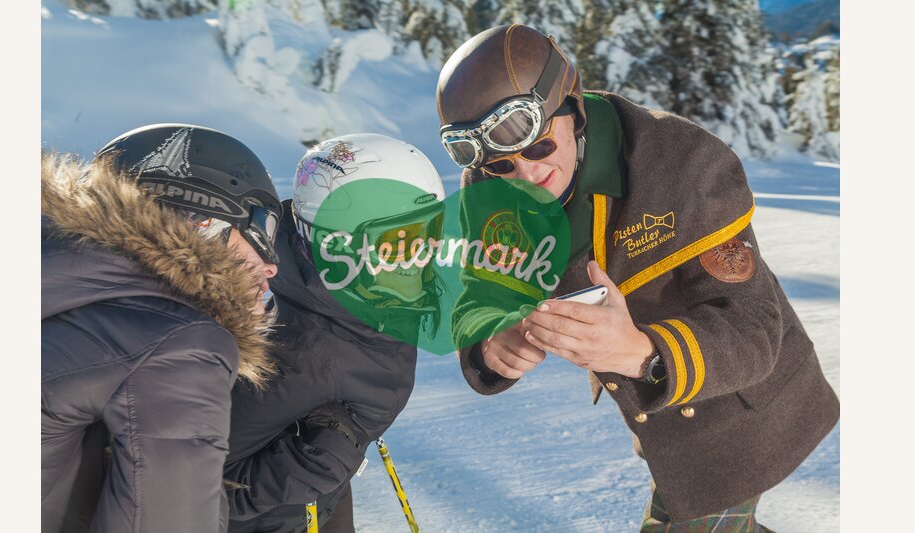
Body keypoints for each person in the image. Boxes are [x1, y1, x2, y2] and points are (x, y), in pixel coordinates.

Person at [437, 24, 839, 531]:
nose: (524, 174)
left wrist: (641, 353)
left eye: (538, 148)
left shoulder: (680, 161)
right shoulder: (490, 188)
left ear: (572, 108)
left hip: (741, 413)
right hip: (662, 426)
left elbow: (755, 330)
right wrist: (490, 341)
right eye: (499, 164)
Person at [41, 124, 281, 532]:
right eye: (260, 229)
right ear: (202, 223)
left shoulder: (59, 281)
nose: (270, 262)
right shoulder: (181, 342)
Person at [223, 133, 446, 532]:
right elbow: (191, 487)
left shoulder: (345, 293)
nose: (422, 258)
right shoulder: (294, 360)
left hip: (320, 500)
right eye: (400, 243)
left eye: (431, 232)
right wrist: (304, 465)